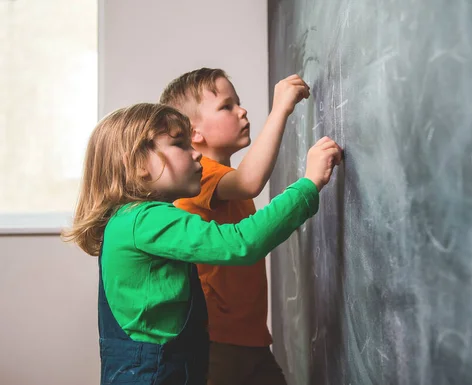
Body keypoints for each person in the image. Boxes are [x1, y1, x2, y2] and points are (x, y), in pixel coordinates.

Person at [62, 102, 342, 385]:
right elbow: (240, 243)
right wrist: (309, 183)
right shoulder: (146, 219)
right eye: (180, 144)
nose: (196, 154)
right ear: (137, 164)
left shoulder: (127, 220)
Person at [159, 68, 309, 384]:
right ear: (194, 133)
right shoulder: (198, 177)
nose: (242, 111)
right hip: (213, 343)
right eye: (227, 106)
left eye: (237, 103)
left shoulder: (226, 181)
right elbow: (249, 181)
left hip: (249, 340)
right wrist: (280, 108)